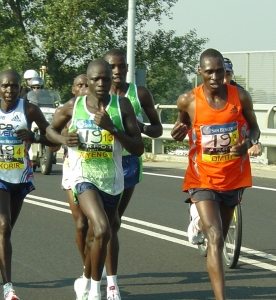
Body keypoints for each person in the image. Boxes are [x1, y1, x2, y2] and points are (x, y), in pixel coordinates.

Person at [46, 59, 144, 300]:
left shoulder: (121, 106)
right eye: (96, 79)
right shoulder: (75, 105)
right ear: (87, 81)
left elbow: (139, 148)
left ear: (111, 80)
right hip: (83, 176)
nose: (101, 83)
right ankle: (96, 292)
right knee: (100, 227)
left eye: (106, 79)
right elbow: (49, 131)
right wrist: (63, 140)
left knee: (99, 235)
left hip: (111, 179)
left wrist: (113, 129)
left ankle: (86, 281)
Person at [170, 48, 261, 300]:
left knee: (220, 230)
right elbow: (184, 125)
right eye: (209, 71)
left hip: (233, 176)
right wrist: (178, 132)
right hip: (202, 178)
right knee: (216, 236)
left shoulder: (240, 97)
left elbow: (254, 128)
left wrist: (247, 142)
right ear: (200, 72)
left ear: (225, 71)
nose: (214, 76)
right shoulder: (187, 100)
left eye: (219, 71)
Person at [0, 69, 55, 300]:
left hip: (20, 176)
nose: (10, 90)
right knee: (5, 225)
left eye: (14, 86)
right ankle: (8, 287)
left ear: (21, 88)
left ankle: (0, 236)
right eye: (5, 86)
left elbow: (51, 135)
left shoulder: (29, 109)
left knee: (7, 231)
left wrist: (34, 136)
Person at [101, 49, 163, 298]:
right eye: (112, 67)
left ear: (127, 68)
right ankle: (97, 268)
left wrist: (142, 127)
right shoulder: (93, 97)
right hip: (100, 163)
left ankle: (108, 273)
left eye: (121, 67)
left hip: (128, 164)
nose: (117, 71)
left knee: (114, 221)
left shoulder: (139, 94)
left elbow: (158, 129)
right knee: (102, 222)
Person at [61, 74, 89, 268]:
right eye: (80, 85)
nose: (85, 88)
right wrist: (64, 137)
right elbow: (52, 142)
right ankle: (87, 266)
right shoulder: (67, 109)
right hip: (72, 169)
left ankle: (96, 260)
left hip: (96, 170)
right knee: (81, 223)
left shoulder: (100, 109)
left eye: (88, 84)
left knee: (99, 225)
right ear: (73, 90)